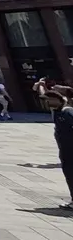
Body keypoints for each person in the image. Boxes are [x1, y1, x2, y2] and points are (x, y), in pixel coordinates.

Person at [34, 79, 73, 210]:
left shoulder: (67, 112)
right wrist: (41, 85)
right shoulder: (57, 111)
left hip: (71, 149)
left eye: (49, 101)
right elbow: (43, 94)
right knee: (69, 174)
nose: (47, 103)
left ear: (58, 100)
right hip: (65, 150)